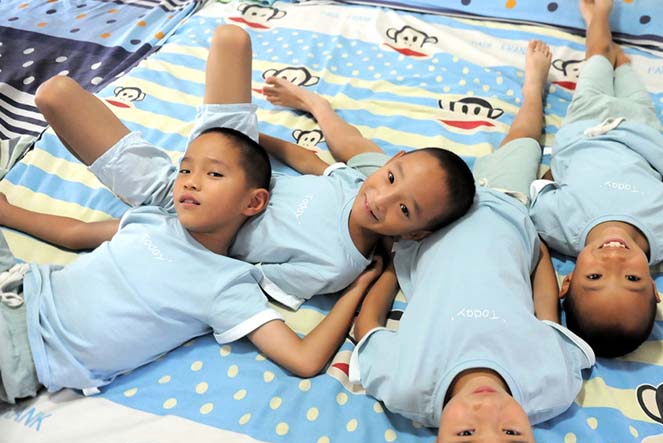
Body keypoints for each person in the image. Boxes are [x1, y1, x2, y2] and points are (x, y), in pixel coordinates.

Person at [0, 25, 384, 404]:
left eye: (211, 174)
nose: (189, 182)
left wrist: (358, 290)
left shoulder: (227, 284)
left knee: (230, 50)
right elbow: (76, 234)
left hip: (24, 349)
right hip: (20, 285)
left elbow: (303, 360)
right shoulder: (154, 219)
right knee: (229, 38)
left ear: (253, 203)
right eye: (185, 170)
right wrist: (10, 213)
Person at [9, 40, 475, 312]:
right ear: (389, 162)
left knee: (55, 95)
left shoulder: (337, 266)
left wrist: (180, 236)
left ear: (416, 231)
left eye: (404, 209)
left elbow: (238, 276)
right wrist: (250, 138)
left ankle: (7, 210)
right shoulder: (353, 181)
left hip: (191, 215)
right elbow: (308, 159)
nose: (381, 199)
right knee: (233, 38)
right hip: (231, 159)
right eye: (391, 179)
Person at [341, 42, 592, 443]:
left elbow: (366, 330)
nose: (488, 413)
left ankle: (321, 113)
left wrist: (387, 270)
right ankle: (532, 87)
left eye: (465, 435)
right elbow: (548, 319)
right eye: (513, 433)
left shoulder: (409, 387)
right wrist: (536, 252)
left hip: (425, 228)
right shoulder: (552, 386)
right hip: (505, 208)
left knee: (361, 167)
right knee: (525, 137)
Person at [529, 0, 663, 358]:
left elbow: (539, 188)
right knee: (624, 66)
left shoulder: (558, 226)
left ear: (568, 281)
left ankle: (599, 16)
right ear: (654, 288)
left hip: (588, 125)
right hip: (641, 128)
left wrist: (561, 169)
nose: (614, 264)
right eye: (633, 279)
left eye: (595, 278)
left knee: (597, 61)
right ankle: (605, 37)